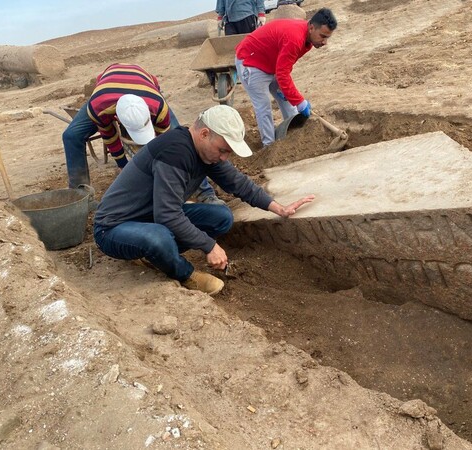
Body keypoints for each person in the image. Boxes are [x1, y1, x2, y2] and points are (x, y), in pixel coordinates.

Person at [93, 105, 314, 295]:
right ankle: (185, 274)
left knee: (221, 217)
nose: (224, 158)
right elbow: (167, 215)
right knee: (159, 237)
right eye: (223, 150)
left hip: (150, 218)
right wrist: (209, 246)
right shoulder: (175, 153)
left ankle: (156, 255)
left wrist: (278, 208)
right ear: (204, 133)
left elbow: (238, 183)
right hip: (114, 228)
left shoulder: (206, 152)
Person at [62, 62, 221, 204]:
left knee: (182, 139)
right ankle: (81, 198)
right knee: (70, 136)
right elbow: (110, 137)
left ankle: (205, 192)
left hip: (146, 85)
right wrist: (123, 165)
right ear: (117, 117)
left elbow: (167, 142)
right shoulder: (98, 107)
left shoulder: (158, 106)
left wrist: (163, 172)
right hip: (107, 90)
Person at [235, 7, 337, 147]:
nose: (325, 42)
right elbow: (283, 74)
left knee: (289, 103)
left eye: (327, 37)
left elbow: (284, 69)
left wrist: (291, 96)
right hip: (250, 61)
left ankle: (294, 138)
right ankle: (269, 147)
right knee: (263, 106)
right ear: (312, 27)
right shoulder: (295, 38)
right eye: (323, 36)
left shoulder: (307, 39)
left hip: (271, 64)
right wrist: (300, 101)